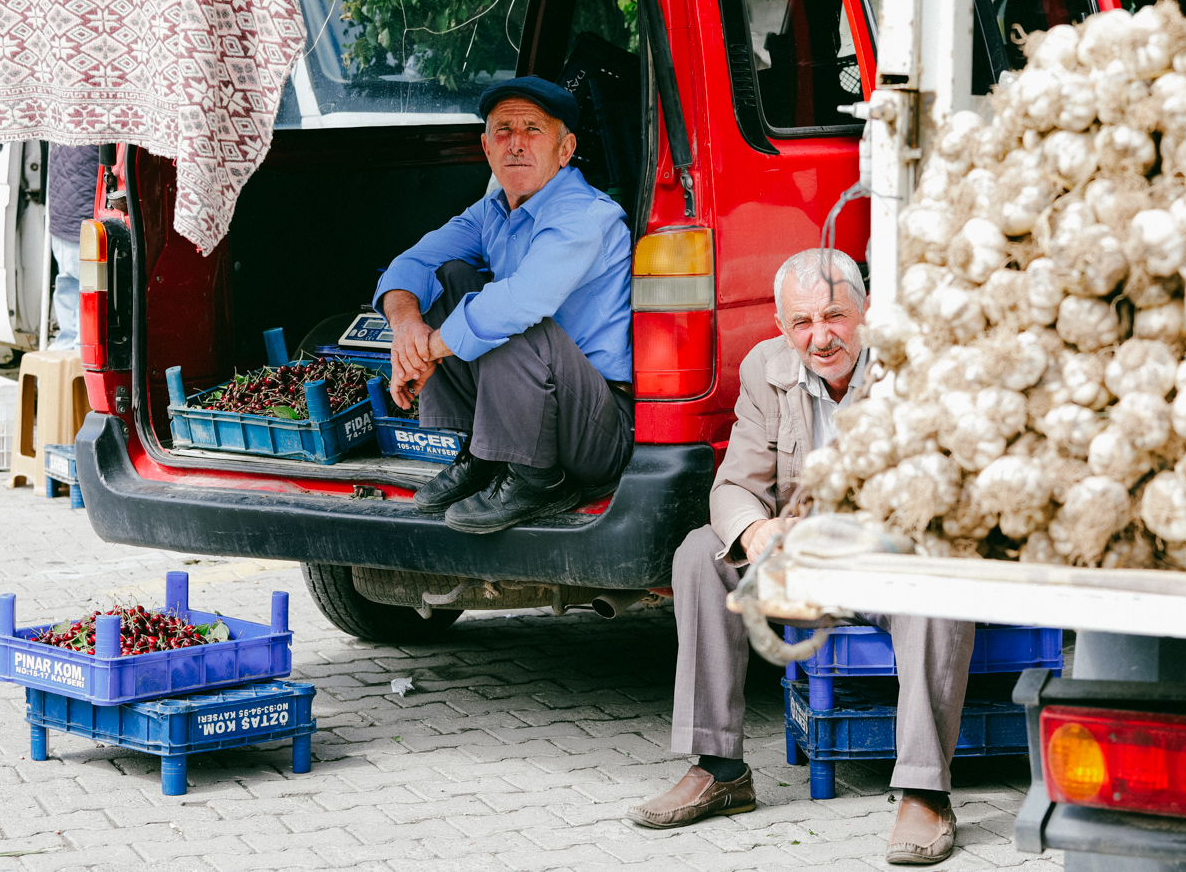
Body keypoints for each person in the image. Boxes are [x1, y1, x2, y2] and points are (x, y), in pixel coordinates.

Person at [627, 248, 975, 866]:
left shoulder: (912, 367)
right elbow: (734, 484)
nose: (821, 337)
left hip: (891, 559)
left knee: (939, 577)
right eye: (802, 323)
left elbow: (947, 490)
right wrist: (755, 530)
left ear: (866, 313)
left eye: (835, 316)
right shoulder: (767, 368)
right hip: (803, 562)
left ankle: (925, 792)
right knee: (701, 553)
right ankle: (720, 768)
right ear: (783, 328)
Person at [374, 75, 634, 534]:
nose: (517, 144)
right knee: (448, 278)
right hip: (525, 405)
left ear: (565, 148)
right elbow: (409, 265)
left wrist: (428, 350)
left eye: (533, 129)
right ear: (486, 147)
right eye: (503, 131)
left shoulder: (584, 216)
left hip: (595, 429)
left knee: (510, 316)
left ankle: (538, 479)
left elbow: (519, 302)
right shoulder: (492, 210)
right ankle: (485, 453)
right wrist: (407, 329)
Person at [46, 144, 98, 351]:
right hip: (85, 218)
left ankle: (65, 352)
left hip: (61, 216)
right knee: (88, 290)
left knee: (67, 283)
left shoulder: (63, 120)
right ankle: (80, 358)